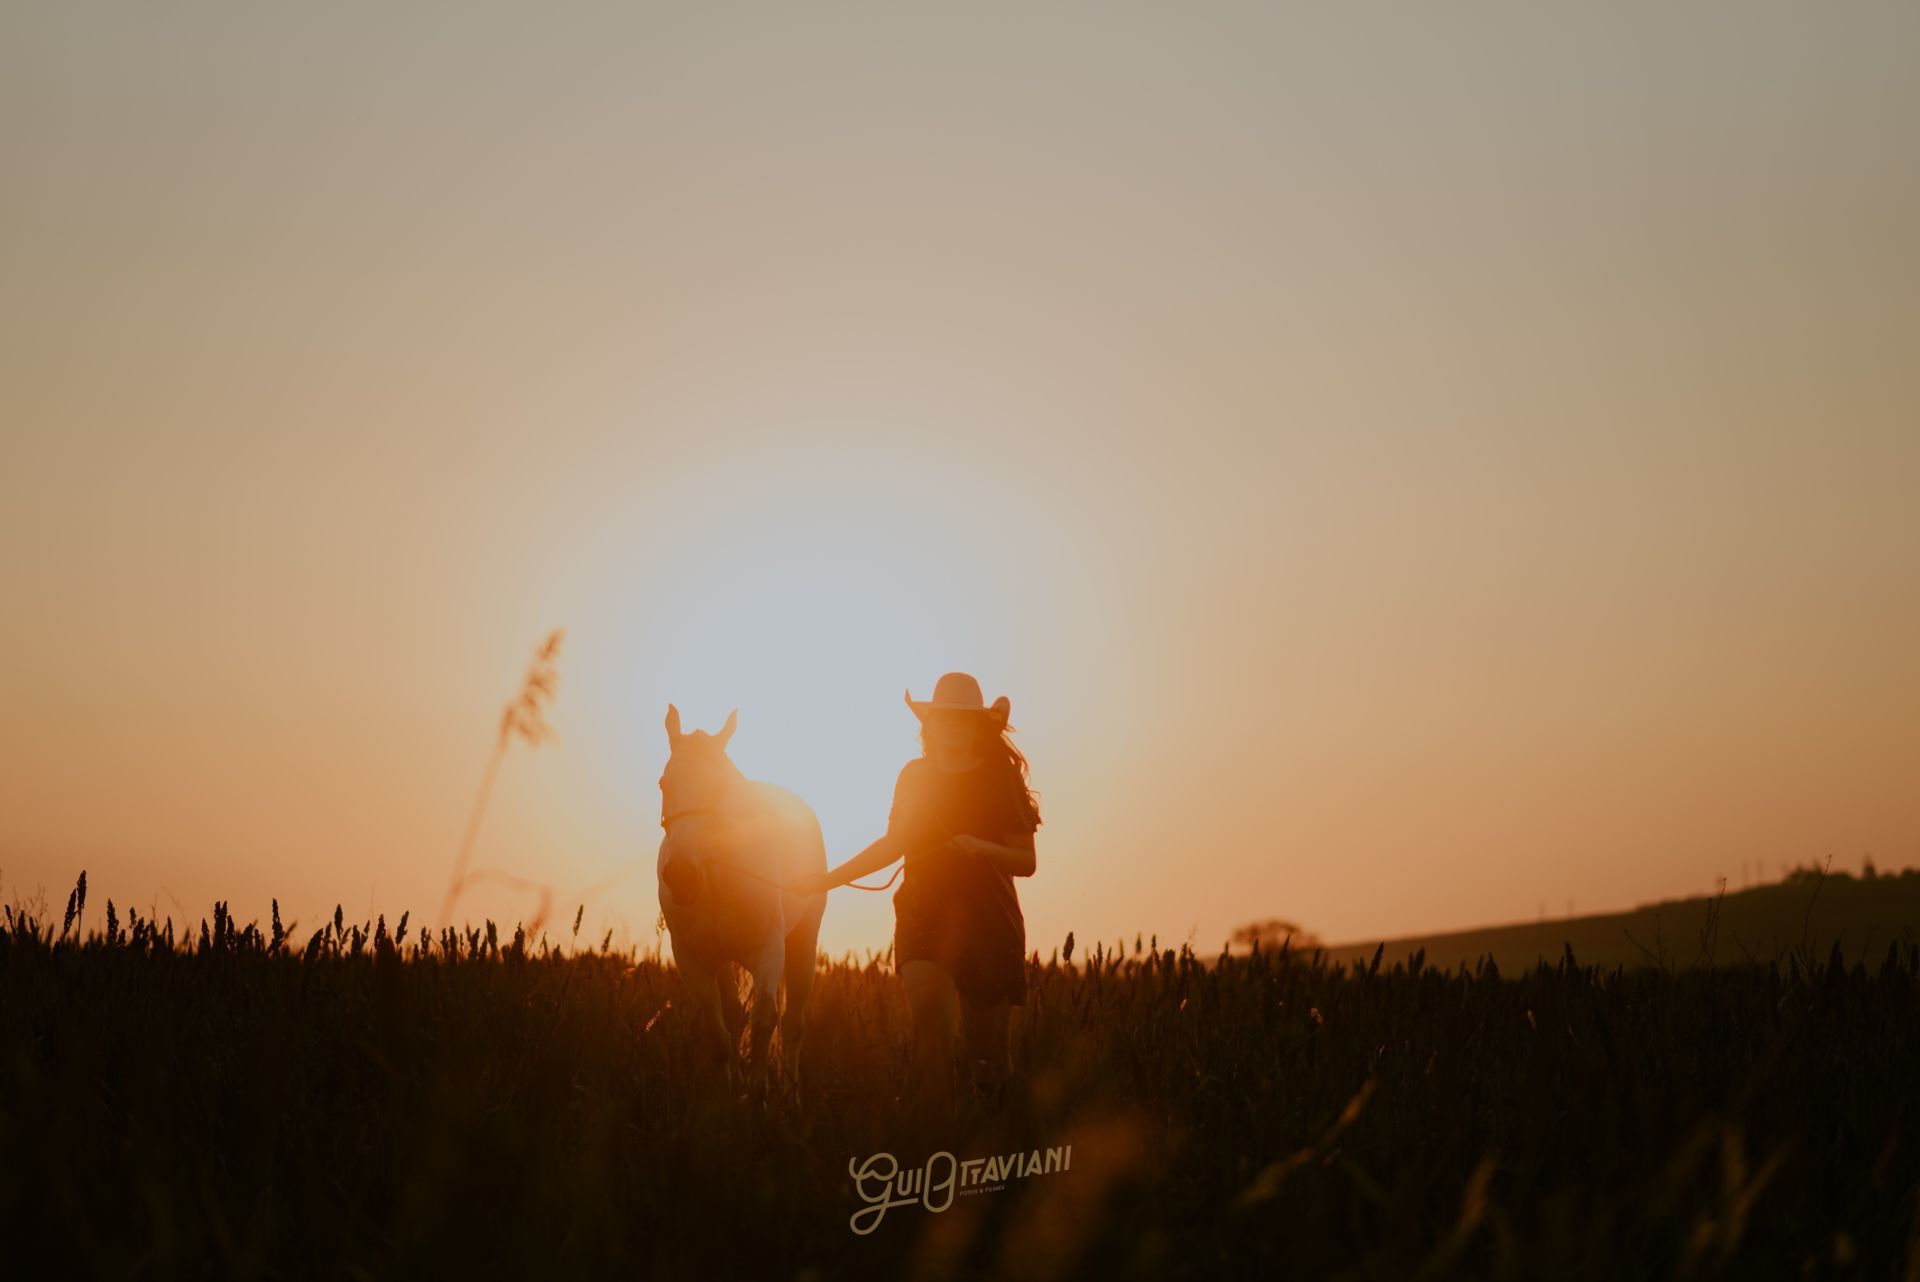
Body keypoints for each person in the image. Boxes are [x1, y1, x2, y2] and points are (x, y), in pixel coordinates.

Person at [788, 671, 1042, 1132]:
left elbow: (1026, 860)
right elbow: (893, 843)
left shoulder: (998, 777)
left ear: (978, 726)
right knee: (930, 1023)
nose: (951, 726)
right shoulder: (914, 776)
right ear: (931, 724)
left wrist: (984, 849)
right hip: (923, 910)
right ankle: (935, 1138)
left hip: (989, 920)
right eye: (943, 718)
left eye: (961, 719)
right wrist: (827, 879)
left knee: (990, 1063)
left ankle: (1002, 1150)